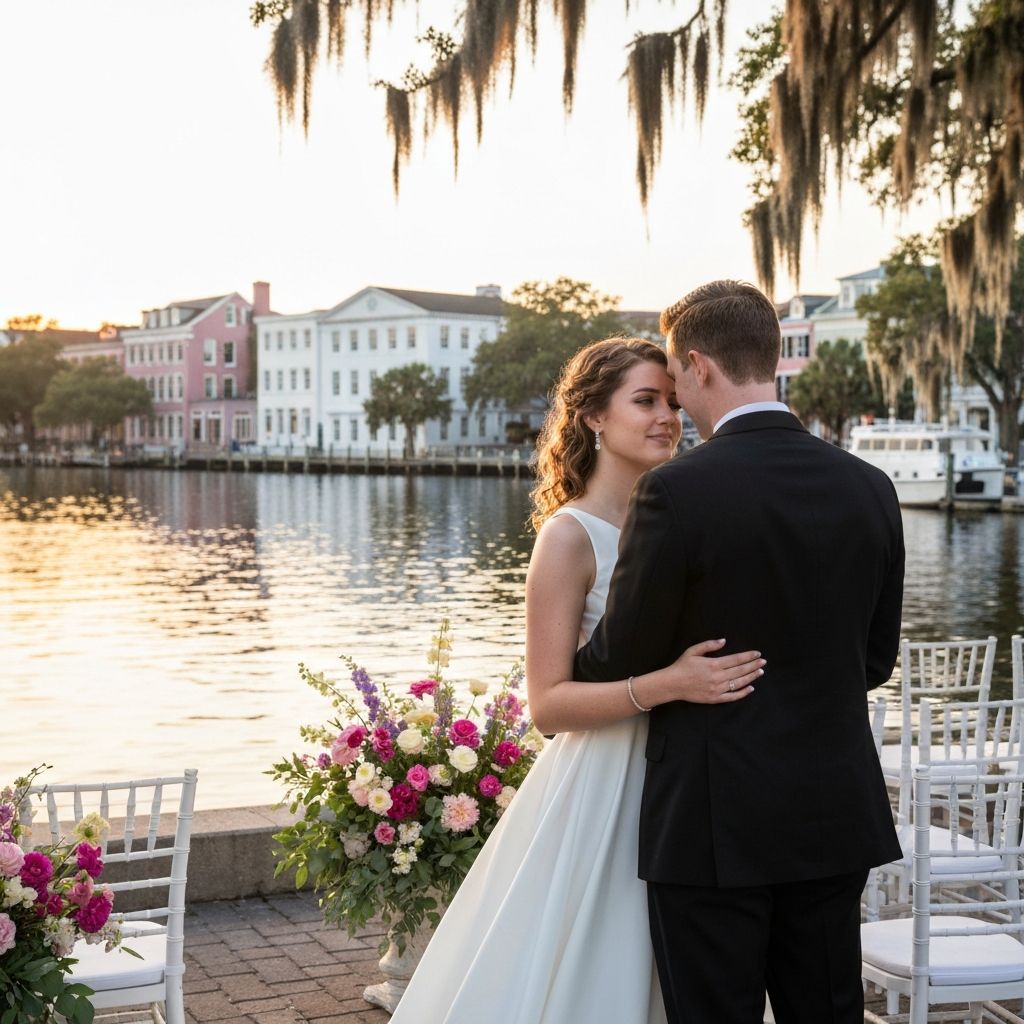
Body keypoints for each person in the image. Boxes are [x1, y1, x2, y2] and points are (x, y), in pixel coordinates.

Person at [389, 336, 764, 1024]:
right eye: (645, 401)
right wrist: (670, 683)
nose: (667, 418)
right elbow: (549, 705)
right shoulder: (569, 536)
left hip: (693, 778)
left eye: (673, 402)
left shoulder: (688, 517)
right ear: (594, 416)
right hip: (606, 784)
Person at [575, 281, 905, 1024]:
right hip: (832, 811)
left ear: (698, 365)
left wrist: (577, 659)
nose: (676, 401)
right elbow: (874, 661)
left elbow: (619, 657)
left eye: (675, 379)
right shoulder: (871, 487)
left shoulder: (675, 492)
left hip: (713, 820)